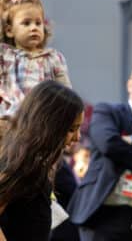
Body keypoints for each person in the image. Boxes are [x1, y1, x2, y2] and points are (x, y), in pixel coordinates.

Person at [68, 62, 132, 241]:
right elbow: (108, 144)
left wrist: (130, 144)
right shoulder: (107, 111)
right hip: (103, 212)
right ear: (130, 85)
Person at [0, 80, 84, 241]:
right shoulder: (20, 164)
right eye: (71, 129)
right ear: (49, 125)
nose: (77, 137)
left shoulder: (34, 162)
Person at [0, 0, 71, 115]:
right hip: (12, 119)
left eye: (38, 23)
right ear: (9, 30)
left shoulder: (53, 58)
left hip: (43, 119)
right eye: (26, 23)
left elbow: (66, 92)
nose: (34, 28)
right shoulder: (4, 55)